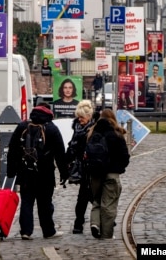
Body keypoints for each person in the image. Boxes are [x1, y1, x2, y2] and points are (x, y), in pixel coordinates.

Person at [6, 104, 68, 240]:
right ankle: (48, 230)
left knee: (26, 201)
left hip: (25, 171)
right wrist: (64, 174)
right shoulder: (52, 129)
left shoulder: (23, 126)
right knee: (45, 203)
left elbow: (13, 150)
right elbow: (60, 153)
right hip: (45, 172)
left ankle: (26, 231)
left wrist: (11, 171)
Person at [87, 109, 130, 240]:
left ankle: (95, 224)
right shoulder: (117, 134)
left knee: (97, 201)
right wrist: (119, 167)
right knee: (109, 205)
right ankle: (106, 235)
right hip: (112, 174)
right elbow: (125, 156)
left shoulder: (92, 133)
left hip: (95, 174)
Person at [65, 100, 96, 234]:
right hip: (81, 167)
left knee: (89, 195)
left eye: (82, 117)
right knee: (84, 196)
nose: (79, 119)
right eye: (78, 116)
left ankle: (102, 218)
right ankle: (79, 222)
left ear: (89, 117)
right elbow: (72, 146)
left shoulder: (94, 129)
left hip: (92, 167)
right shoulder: (77, 128)